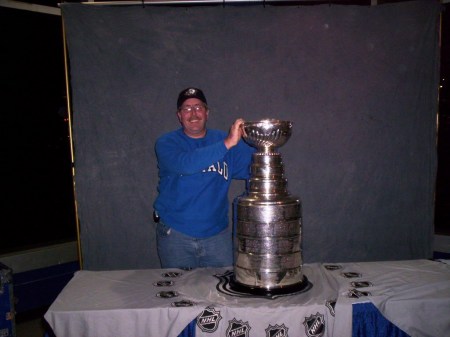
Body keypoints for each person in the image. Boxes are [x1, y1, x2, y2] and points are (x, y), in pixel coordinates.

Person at [153, 87, 254, 269]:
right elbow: (186, 164)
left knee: (221, 292)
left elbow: (255, 167)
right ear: (179, 115)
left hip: (217, 237)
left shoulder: (223, 140)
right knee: (179, 292)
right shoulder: (167, 143)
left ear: (207, 113)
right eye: (187, 108)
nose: (193, 113)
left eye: (198, 107)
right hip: (176, 235)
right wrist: (228, 143)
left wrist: (253, 141)